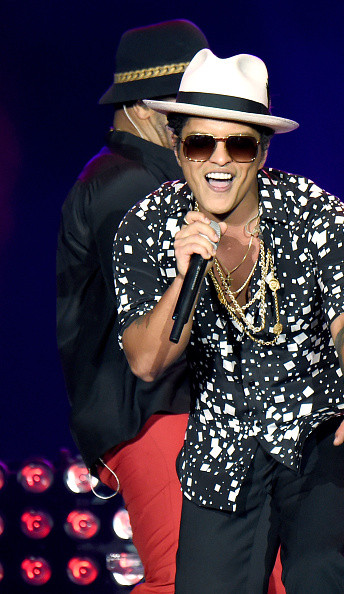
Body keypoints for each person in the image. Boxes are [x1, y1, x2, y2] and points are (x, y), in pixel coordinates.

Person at [113, 49, 344, 593]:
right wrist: (184, 277)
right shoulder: (147, 226)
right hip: (223, 446)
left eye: (239, 144)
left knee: (312, 571)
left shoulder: (317, 214)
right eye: (200, 143)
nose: (219, 160)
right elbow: (145, 362)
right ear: (179, 148)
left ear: (262, 151)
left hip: (324, 428)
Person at [56, 21, 210, 594]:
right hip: (155, 412)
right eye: (185, 110)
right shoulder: (127, 185)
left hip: (179, 411)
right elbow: (159, 321)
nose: (200, 124)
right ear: (145, 107)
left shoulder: (152, 178)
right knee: (187, 578)